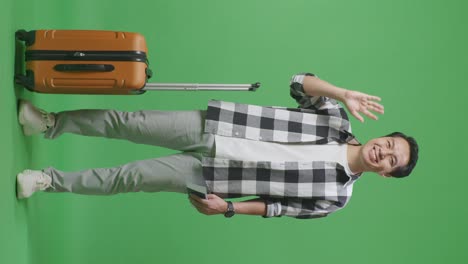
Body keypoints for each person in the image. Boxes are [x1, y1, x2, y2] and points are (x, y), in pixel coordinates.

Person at [16, 72, 419, 219]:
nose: (384, 152)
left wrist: (228, 208)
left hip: (217, 176)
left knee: (131, 177)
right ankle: (48, 123)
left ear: (386, 174)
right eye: (389, 144)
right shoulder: (338, 118)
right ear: (381, 138)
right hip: (217, 126)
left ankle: (48, 181)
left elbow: (278, 208)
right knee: (129, 122)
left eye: (391, 160)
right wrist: (342, 91)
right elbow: (299, 82)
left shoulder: (337, 197)